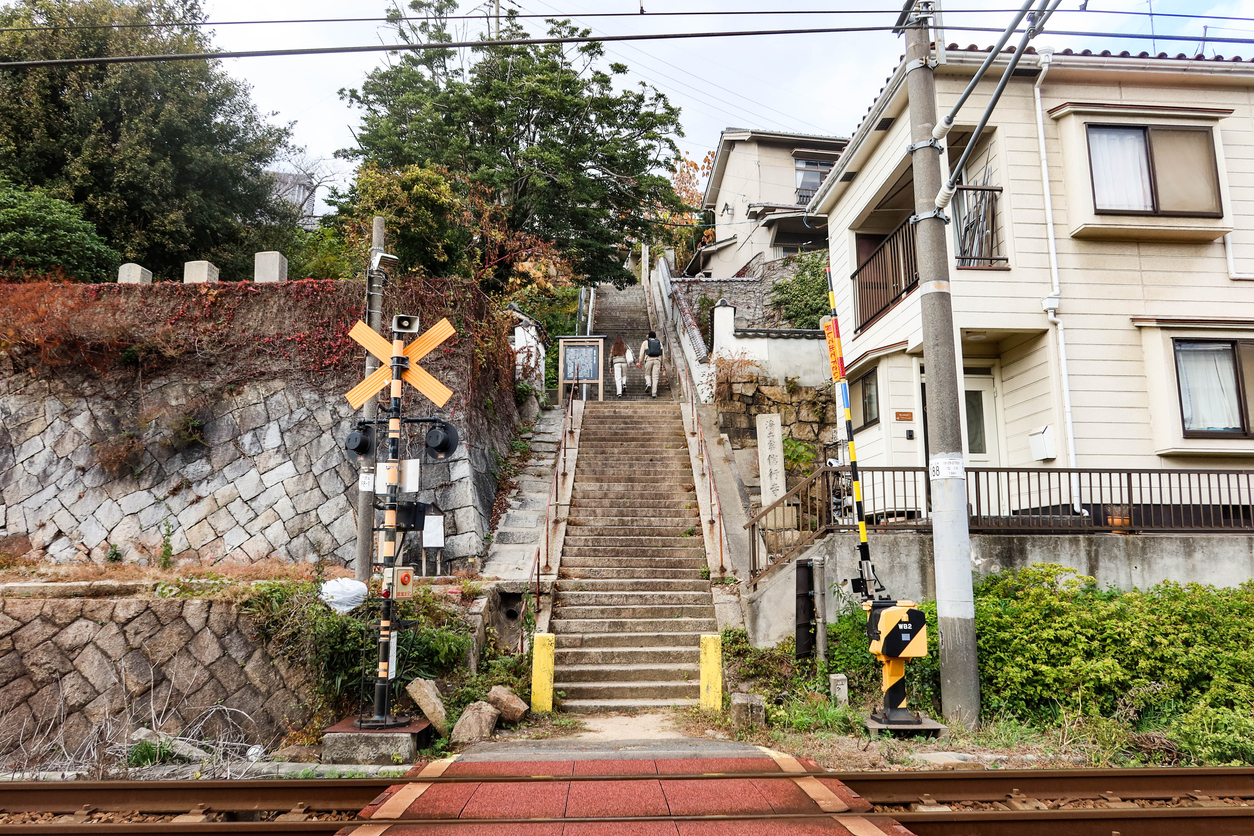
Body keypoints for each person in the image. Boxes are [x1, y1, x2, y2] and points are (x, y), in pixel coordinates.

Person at [637, 330, 664, 398]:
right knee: (655, 377)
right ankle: (654, 392)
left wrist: (640, 362)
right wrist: (662, 364)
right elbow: (662, 354)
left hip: (648, 359)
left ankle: (648, 383)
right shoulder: (659, 343)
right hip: (657, 360)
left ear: (648, 336)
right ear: (655, 337)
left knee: (647, 374)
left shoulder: (645, 342)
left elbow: (642, 353)